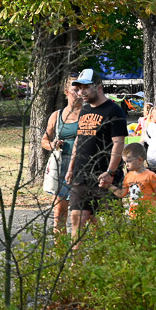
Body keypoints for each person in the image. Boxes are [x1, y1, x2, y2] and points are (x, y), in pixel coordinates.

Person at [64, 69, 128, 245]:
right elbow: (79, 140)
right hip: (81, 175)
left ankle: (119, 264)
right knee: (77, 221)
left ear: (98, 87)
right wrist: (71, 168)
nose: (81, 92)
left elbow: (118, 143)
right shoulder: (84, 110)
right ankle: (75, 267)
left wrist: (110, 173)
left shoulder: (114, 111)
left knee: (114, 225)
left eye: (85, 87)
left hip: (103, 178)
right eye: (78, 88)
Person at [40, 76, 83, 234]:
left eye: (81, 89)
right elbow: (44, 140)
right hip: (62, 165)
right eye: (75, 90)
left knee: (83, 215)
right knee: (59, 214)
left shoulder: (88, 114)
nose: (79, 93)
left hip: (83, 165)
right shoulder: (56, 116)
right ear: (66, 92)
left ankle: (81, 252)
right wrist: (52, 145)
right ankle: (60, 252)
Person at [115, 143, 156, 216]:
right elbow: (122, 193)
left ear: (140, 160)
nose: (126, 165)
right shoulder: (128, 176)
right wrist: (108, 186)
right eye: (125, 162)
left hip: (149, 215)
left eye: (129, 161)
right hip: (134, 215)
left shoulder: (150, 176)